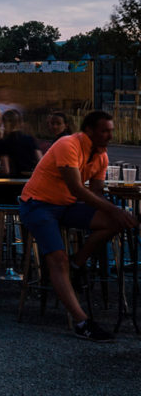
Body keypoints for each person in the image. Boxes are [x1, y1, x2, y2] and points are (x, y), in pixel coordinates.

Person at [18, 110, 137, 342]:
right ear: (90, 131)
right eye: (105, 131)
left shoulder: (101, 156)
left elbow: (95, 194)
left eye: (111, 131)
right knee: (57, 259)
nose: (109, 136)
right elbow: (77, 189)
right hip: (38, 204)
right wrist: (116, 210)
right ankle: (82, 322)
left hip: (66, 207)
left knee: (114, 222)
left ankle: (77, 262)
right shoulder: (68, 144)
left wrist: (121, 215)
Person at [0, 109, 41, 179]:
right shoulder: (30, 139)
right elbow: (40, 161)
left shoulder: (4, 142)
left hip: (12, 182)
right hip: (29, 180)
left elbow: (6, 170)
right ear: (20, 123)